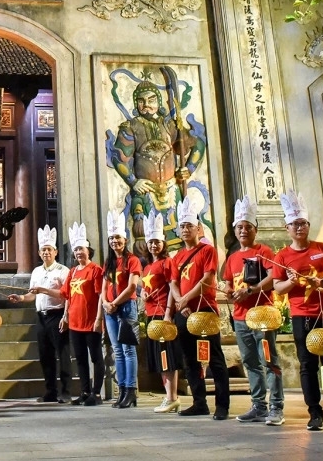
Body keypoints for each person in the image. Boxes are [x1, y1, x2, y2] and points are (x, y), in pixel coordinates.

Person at [271, 191, 323, 432]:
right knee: (308, 366)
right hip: (302, 316)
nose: (299, 227)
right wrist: (293, 282)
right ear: (287, 228)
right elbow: (278, 289)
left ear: (308, 225)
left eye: (303, 223)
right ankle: (314, 412)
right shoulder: (282, 256)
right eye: (294, 224)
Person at [111, 76, 206, 253]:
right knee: (145, 241)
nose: (146, 104)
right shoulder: (130, 127)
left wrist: (189, 169)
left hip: (172, 190)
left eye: (151, 99)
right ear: (136, 103)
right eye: (141, 100)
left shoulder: (169, 125)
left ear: (159, 101)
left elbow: (198, 144)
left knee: (181, 240)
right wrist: (133, 181)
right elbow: (119, 157)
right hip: (146, 192)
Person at [219, 195, 284, 426]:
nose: (243, 230)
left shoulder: (264, 251)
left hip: (262, 316)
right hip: (240, 317)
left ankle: (276, 406)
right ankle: (258, 405)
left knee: (269, 360)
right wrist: (229, 291)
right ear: (235, 231)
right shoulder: (233, 257)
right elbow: (228, 281)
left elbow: (273, 275)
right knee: (250, 362)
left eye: (247, 227)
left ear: (255, 230)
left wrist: (253, 289)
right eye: (239, 227)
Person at [164, 195, 229, 418]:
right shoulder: (176, 256)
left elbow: (208, 279)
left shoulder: (207, 250)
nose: (185, 229)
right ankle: (199, 402)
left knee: (214, 358)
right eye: (182, 226)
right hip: (185, 312)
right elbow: (172, 282)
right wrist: (181, 304)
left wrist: (184, 299)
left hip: (205, 310)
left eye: (189, 225)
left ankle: (222, 405)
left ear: (198, 228)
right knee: (190, 359)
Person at [7, 225, 71, 404]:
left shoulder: (63, 271)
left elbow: (66, 295)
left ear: (56, 251)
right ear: (39, 252)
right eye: (43, 250)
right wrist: (20, 297)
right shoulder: (36, 271)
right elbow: (31, 294)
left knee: (63, 354)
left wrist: (44, 290)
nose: (46, 253)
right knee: (45, 356)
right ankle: (50, 391)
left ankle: (65, 391)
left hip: (57, 315)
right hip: (41, 317)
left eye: (49, 250)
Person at [139, 212, 179, 414]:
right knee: (158, 357)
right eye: (150, 242)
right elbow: (147, 289)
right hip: (151, 314)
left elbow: (172, 287)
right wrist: (144, 297)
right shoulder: (147, 267)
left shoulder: (167, 262)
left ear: (163, 243)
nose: (154, 245)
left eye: (157, 242)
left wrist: (169, 313)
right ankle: (168, 396)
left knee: (166, 356)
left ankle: (172, 397)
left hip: (163, 313)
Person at [60, 222, 104, 406]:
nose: (79, 252)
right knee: (80, 359)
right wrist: (65, 316)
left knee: (95, 357)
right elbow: (67, 296)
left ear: (89, 250)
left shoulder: (95, 270)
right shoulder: (72, 272)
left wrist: (99, 319)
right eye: (76, 249)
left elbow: (101, 295)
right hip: (75, 322)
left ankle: (97, 393)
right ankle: (85, 391)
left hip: (91, 321)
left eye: (82, 249)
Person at [102, 209, 142, 408]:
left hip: (126, 307)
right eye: (111, 238)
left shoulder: (132, 260)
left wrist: (115, 303)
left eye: (117, 237)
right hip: (109, 309)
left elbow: (132, 287)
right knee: (117, 350)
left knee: (128, 350)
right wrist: (105, 303)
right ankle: (122, 391)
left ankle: (131, 389)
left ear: (125, 240)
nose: (114, 241)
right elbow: (102, 288)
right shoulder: (109, 261)